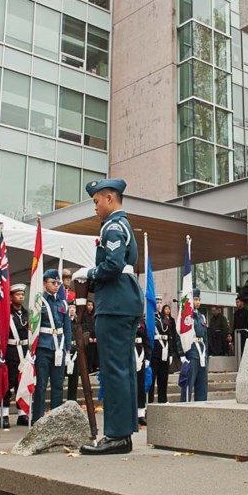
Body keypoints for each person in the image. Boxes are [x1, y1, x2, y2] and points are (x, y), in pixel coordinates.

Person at [75, 178, 143, 455]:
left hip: (114, 304)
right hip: (123, 301)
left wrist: (88, 273)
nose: (95, 207)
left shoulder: (113, 227)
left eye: (96, 201)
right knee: (123, 369)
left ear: (109, 198)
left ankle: (115, 435)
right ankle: (123, 434)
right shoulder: (123, 225)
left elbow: (113, 265)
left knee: (113, 371)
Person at [31, 269, 71, 423]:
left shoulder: (63, 303)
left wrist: (67, 348)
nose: (56, 286)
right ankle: (38, 419)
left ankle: (55, 419)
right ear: (44, 283)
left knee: (58, 385)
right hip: (43, 347)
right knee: (41, 385)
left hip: (59, 348)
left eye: (58, 283)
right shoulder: (38, 301)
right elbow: (33, 326)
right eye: (53, 283)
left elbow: (67, 327)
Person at [1, 283, 30, 427]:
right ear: (11, 297)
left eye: (22, 294)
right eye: (18, 294)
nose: (21, 297)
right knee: (8, 384)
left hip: (24, 351)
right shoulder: (6, 314)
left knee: (22, 384)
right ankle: (5, 414)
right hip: (11, 351)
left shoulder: (26, 313)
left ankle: (22, 414)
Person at [180, 289, 209, 402]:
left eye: (199, 299)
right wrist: (182, 353)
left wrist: (206, 353)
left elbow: (205, 337)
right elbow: (180, 334)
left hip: (201, 351)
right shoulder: (186, 316)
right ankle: (185, 407)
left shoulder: (202, 316)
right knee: (188, 383)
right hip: (191, 352)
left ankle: (201, 408)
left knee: (202, 384)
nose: (198, 302)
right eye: (195, 299)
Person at [150, 301, 176, 403]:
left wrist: (170, 353)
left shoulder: (164, 318)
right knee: (152, 378)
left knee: (163, 377)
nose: (159, 305)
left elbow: (169, 336)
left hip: (164, 350)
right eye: (157, 302)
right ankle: (150, 400)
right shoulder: (148, 318)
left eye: (160, 302)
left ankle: (163, 399)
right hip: (154, 351)